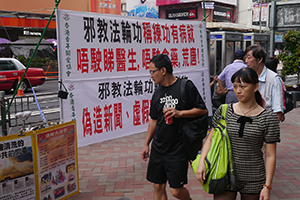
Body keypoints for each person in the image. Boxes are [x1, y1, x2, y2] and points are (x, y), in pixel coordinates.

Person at [196, 67, 280, 200]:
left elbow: (270, 155)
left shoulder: (268, 118)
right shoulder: (224, 111)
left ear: (256, 87)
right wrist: (202, 162)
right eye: (235, 86)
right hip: (224, 172)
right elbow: (210, 139)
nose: (238, 91)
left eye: (243, 86)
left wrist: (267, 186)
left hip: (253, 177)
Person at [141, 54, 207, 200]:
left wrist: (180, 113)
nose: (151, 76)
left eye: (153, 71)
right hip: (159, 147)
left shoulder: (185, 86)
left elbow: (202, 110)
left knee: (176, 191)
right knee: (158, 186)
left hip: (178, 148)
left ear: (163, 70)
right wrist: (146, 144)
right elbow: (153, 120)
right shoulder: (157, 92)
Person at [245, 44, 285, 122]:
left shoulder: (273, 79)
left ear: (259, 60)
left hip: (264, 126)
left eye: (249, 58)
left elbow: (277, 111)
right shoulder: (246, 76)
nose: (246, 61)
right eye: (245, 57)